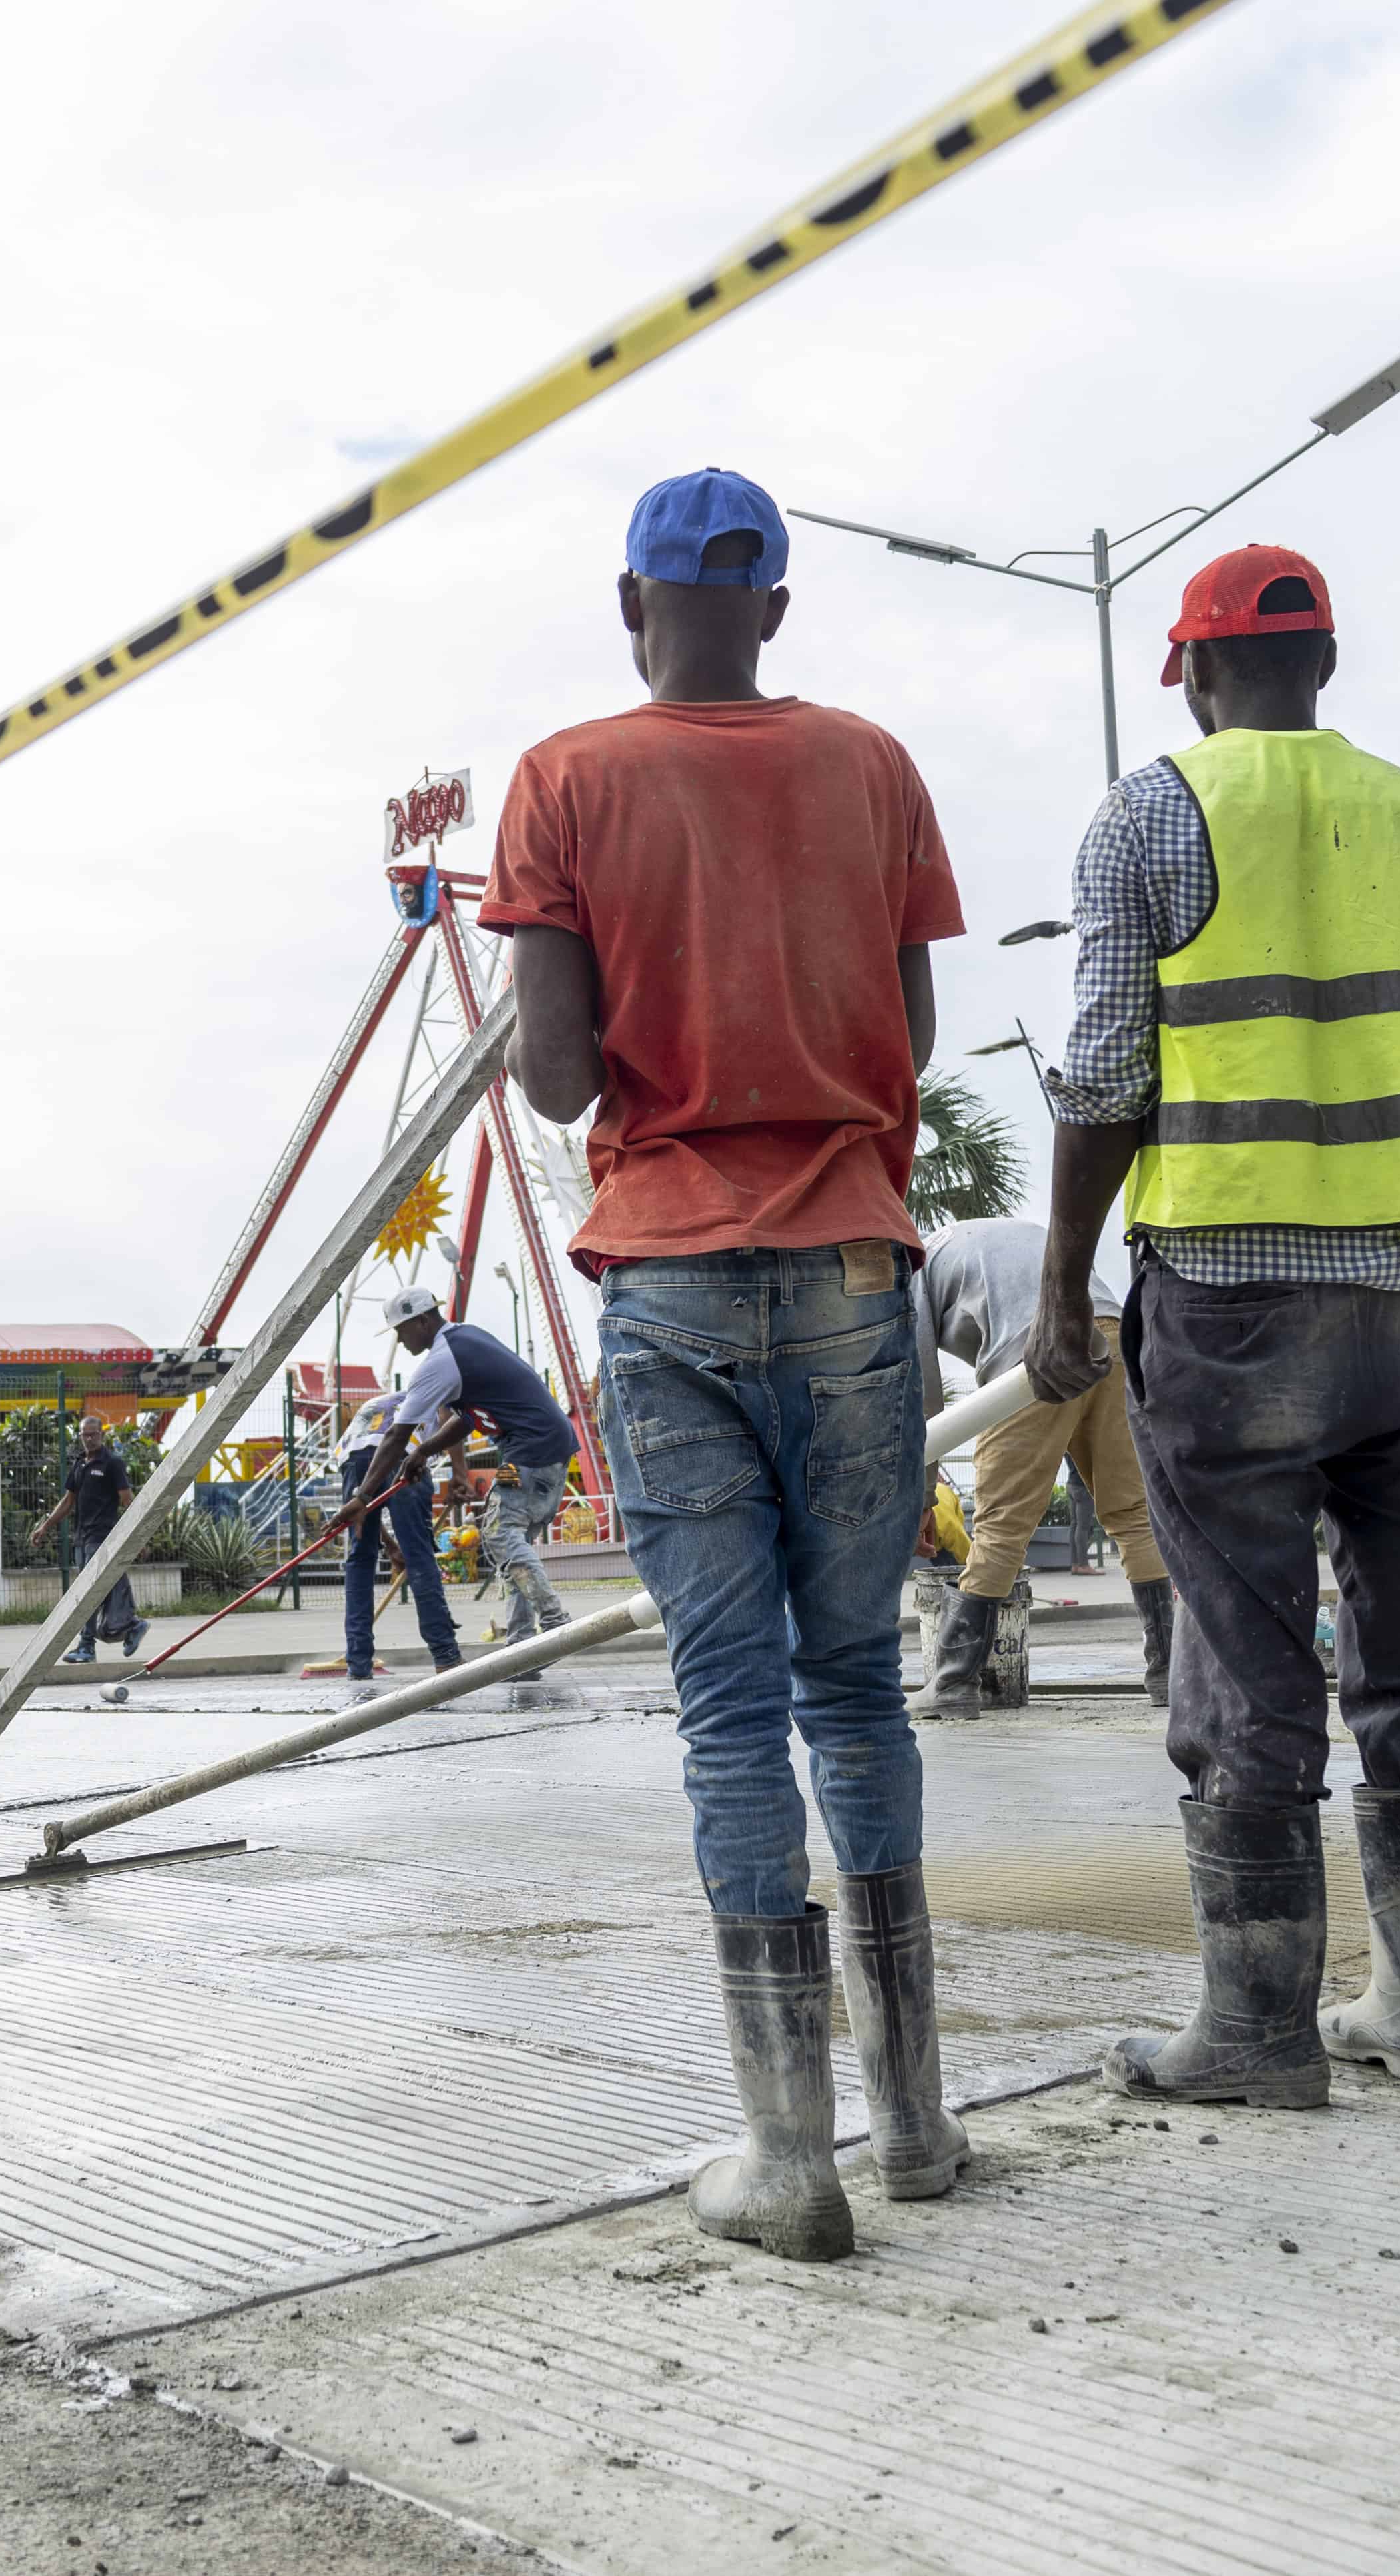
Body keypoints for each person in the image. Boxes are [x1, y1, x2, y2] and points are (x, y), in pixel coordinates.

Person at [490, 465, 971, 2261]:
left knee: (731, 1706)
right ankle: (917, 2122)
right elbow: (910, 1032)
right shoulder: (871, 762)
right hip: (855, 1262)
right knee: (858, 1684)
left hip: (676, 1278)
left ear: (634, 604)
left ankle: (791, 2154)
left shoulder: (567, 778)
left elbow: (548, 1078)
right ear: (774, 605)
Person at [1027, 544, 1400, 2104]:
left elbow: (1109, 1070)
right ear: (1324, 666)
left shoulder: (1147, 812)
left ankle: (1253, 2027)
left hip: (1229, 1301)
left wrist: (1062, 1280)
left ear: (1188, 672)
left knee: (1244, 1665)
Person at [909, 1217, 1170, 1715]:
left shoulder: (914, 1270)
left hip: (1033, 1356)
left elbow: (921, 1396)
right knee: (1133, 1514)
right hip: (1114, 1338)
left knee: (1001, 1527)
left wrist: (922, 1499)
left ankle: (953, 1683)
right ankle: (1168, 1677)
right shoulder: (994, 1234)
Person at [341, 1288, 583, 1654]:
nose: (399, 1338)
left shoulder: (440, 1361)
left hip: (531, 1451)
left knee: (500, 1533)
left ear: (422, 1321)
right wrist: (425, 1450)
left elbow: (395, 1435)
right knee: (506, 1540)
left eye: (401, 1330)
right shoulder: (468, 1339)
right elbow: (466, 1418)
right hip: (537, 1451)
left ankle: (554, 1621)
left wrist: (362, 1496)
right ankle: (524, 1649)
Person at [332, 1400, 461, 1690]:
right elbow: (453, 1418)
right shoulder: (440, 1392)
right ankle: (446, 1657)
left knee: (360, 1557)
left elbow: (362, 1510)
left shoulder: (378, 1405)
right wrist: (459, 1474)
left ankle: (358, 1663)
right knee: (420, 1557)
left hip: (353, 1457)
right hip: (402, 1455)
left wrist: (389, 1546)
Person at [27, 1415, 143, 1665]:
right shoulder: (80, 1464)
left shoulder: (112, 1463)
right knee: (94, 1593)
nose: (89, 1439)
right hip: (82, 1538)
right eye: (85, 1435)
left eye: (94, 1434)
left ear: (101, 1435)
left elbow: (127, 1500)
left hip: (102, 1538)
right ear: (80, 1436)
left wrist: (136, 1538)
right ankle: (132, 1626)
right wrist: (45, 1526)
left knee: (88, 1594)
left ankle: (87, 1646)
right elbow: (68, 1501)